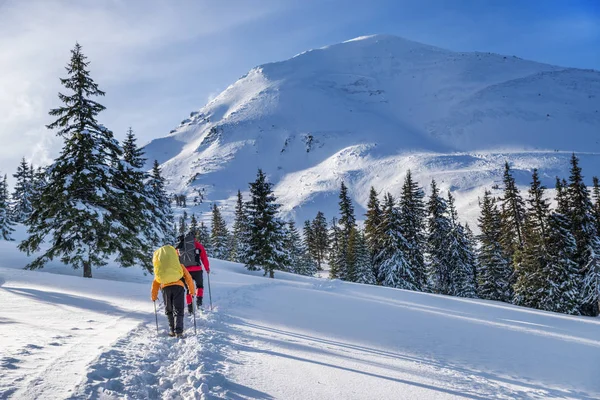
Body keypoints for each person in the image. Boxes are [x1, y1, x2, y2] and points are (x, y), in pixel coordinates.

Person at [151, 245, 195, 338]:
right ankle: (179, 331)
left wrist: (154, 296)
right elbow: (188, 278)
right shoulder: (179, 266)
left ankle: (172, 331)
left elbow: (155, 282)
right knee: (179, 309)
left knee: (169, 309)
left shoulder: (161, 269)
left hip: (165, 288)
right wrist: (192, 291)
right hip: (178, 287)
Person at [176, 232, 210, 314]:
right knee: (199, 286)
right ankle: (199, 303)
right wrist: (207, 268)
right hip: (197, 270)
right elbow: (204, 257)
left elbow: (177, 260)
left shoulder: (180, 246)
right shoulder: (198, 245)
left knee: (188, 289)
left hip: (186, 271)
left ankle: (190, 307)